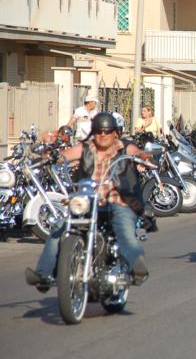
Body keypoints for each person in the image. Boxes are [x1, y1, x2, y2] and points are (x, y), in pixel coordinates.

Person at [26, 113, 152, 292]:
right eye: (98, 131)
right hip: (87, 201)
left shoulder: (124, 147)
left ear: (115, 133)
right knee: (60, 227)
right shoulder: (85, 147)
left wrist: (145, 157)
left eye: (107, 131)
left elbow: (137, 152)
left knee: (123, 226)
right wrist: (51, 157)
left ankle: (136, 264)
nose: (102, 135)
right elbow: (64, 155)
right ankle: (43, 275)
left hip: (118, 201)